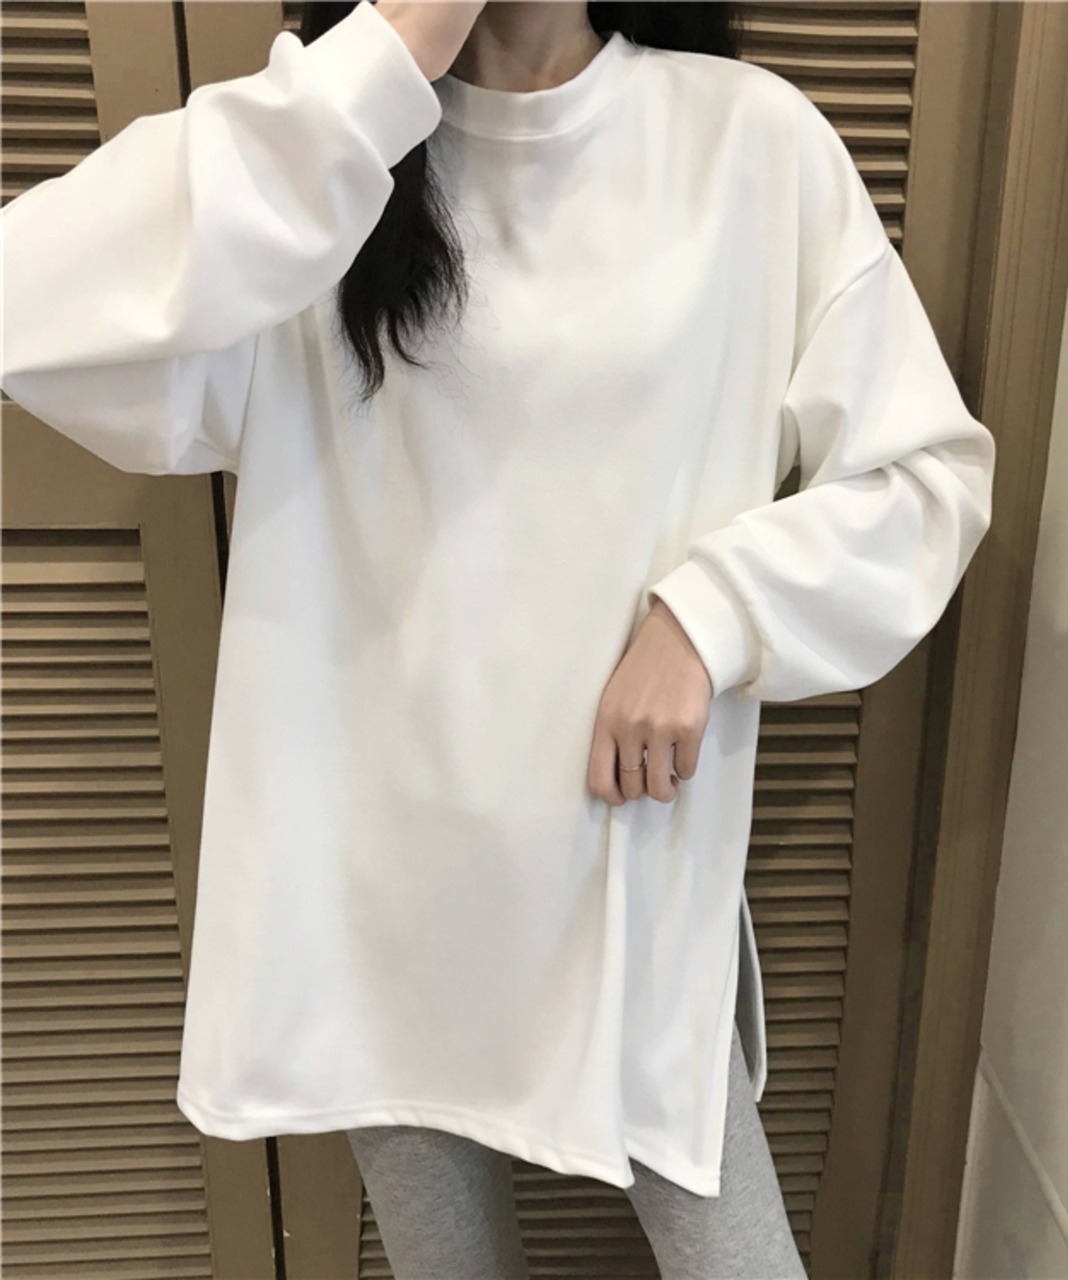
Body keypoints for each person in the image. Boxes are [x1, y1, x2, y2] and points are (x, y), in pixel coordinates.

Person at [1, 1, 996, 1275]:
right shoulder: (321, 154)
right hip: (378, 902)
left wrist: (713, 614)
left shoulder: (745, 142)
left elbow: (923, 483)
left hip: (623, 878)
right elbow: (27, 296)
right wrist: (389, 54)